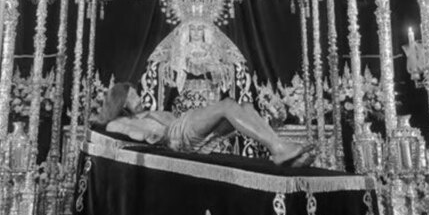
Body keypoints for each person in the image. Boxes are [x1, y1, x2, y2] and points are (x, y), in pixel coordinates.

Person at [93, 82, 316, 168]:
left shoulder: (147, 113)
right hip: (177, 132)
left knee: (246, 108)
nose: (139, 98)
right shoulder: (118, 122)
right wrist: (146, 133)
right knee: (227, 105)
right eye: (133, 97)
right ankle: (278, 148)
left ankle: (284, 154)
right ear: (121, 102)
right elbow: (130, 134)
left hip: (184, 126)